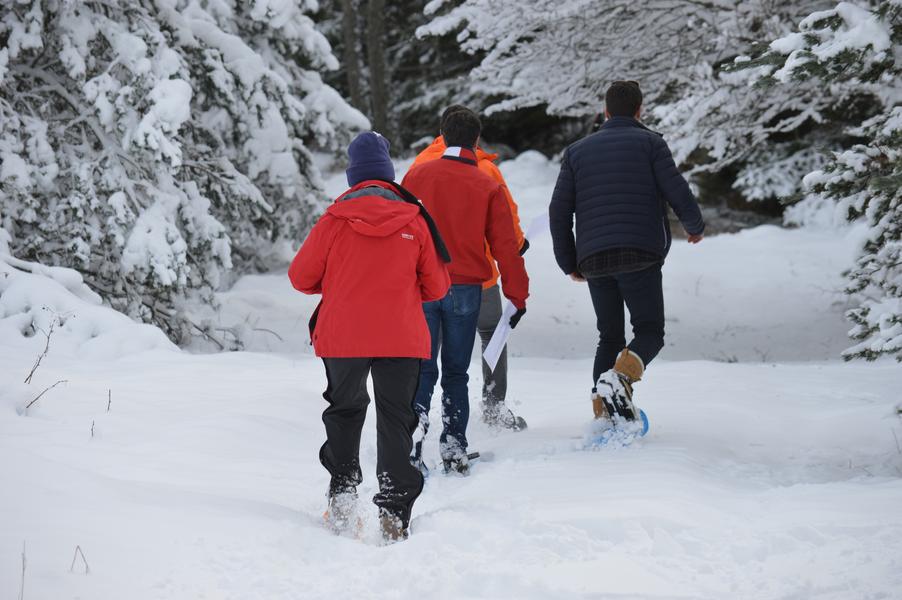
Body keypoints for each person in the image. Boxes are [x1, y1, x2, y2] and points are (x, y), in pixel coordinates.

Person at [288, 132, 451, 542]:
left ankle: (343, 495)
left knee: (344, 411)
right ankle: (394, 511)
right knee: (396, 420)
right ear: (389, 173)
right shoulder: (415, 219)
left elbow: (300, 277)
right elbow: (437, 287)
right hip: (401, 337)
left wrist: (339, 282)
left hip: (343, 336)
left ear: (353, 176)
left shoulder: (333, 220)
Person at [549, 81, 705, 423]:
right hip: (640, 253)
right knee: (650, 331)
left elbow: (559, 212)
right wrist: (694, 226)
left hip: (594, 259)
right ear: (640, 110)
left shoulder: (576, 152)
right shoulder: (651, 144)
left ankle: (604, 415)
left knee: (609, 335)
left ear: (604, 113)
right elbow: (676, 189)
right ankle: (620, 378)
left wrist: (569, 262)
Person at [402, 108, 529, 475]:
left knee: (423, 369)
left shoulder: (416, 176)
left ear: (441, 135)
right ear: (476, 140)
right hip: (467, 288)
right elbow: (506, 247)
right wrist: (518, 296)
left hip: (425, 285)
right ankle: (454, 448)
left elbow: (401, 231)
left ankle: (412, 445)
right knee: (457, 372)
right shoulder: (486, 183)